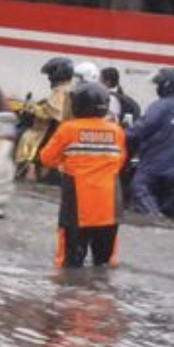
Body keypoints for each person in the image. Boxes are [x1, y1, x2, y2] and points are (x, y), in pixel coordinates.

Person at [39, 82, 128, 268]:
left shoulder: (68, 129)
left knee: (69, 265)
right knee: (104, 265)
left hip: (78, 211)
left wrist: (65, 164)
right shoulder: (117, 132)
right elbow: (120, 162)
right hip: (110, 210)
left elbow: (46, 158)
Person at [128, 67, 174, 216]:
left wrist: (122, 133)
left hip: (169, 161)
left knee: (139, 185)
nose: (157, 88)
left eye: (158, 84)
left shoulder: (162, 105)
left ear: (166, 85)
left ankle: (155, 218)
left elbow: (143, 127)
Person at [14, 56, 74, 182]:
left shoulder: (62, 90)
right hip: (57, 130)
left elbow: (51, 113)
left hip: (49, 131)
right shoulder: (66, 89)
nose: (49, 78)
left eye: (51, 74)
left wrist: (32, 109)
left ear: (58, 74)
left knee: (23, 136)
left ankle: (22, 169)